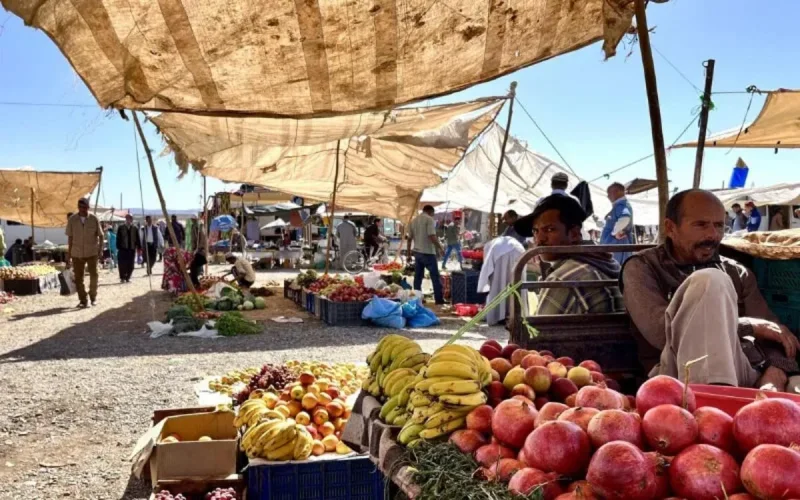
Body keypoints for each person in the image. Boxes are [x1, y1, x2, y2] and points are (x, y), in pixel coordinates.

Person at [622, 189, 799, 391]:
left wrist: (776, 371)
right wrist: (748, 326)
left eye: (718, 225)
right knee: (710, 280)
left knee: (795, 388)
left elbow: (775, 333)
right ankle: (713, 400)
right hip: (677, 376)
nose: (713, 235)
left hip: (746, 368)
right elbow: (660, 333)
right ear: (670, 228)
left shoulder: (736, 271)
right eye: (701, 225)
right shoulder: (642, 268)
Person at [518, 194, 623, 315]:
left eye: (550, 229)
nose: (539, 239)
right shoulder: (605, 262)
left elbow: (539, 333)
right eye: (535, 231)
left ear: (574, 234)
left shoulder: (562, 280)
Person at [65, 198, 104, 307]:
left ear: (88, 207)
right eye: (80, 207)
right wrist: (68, 255)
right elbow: (70, 238)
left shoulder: (94, 219)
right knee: (78, 278)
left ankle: (93, 297)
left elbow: (101, 235)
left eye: (84, 207)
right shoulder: (72, 220)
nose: (82, 209)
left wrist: (100, 250)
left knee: (94, 275)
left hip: (92, 252)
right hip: (77, 253)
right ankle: (83, 300)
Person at [408, 205, 445, 304]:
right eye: (433, 214)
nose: (433, 216)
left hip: (417, 252)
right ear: (430, 212)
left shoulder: (414, 221)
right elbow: (432, 236)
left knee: (418, 277)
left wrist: (408, 254)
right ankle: (439, 299)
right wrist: (440, 248)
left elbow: (409, 238)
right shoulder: (429, 220)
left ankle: (417, 299)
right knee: (435, 276)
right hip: (428, 253)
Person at [600, 182, 634, 265]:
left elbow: (625, 218)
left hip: (616, 246)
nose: (607, 196)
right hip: (615, 246)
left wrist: (614, 233)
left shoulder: (621, 205)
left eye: (609, 193)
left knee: (615, 270)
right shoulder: (620, 205)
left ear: (617, 191)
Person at [116, 214, 140, 283]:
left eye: (130, 218)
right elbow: (118, 238)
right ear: (126, 219)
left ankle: (128, 277)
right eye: (128, 218)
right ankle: (122, 277)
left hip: (132, 249)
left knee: (131, 264)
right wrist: (118, 246)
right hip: (123, 248)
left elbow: (137, 238)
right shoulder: (121, 227)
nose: (129, 220)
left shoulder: (135, 228)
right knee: (122, 264)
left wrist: (139, 247)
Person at [190, 218, 208, 287]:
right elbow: (193, 239)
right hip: (196, 250)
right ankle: (196, 281)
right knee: (194, 267)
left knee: (195, 266)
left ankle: (197, 282)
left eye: (193, 219)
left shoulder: (200, 227)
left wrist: (198, 248)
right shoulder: (193, 227)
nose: (192, 221)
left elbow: (202, 239)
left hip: (200, 250)